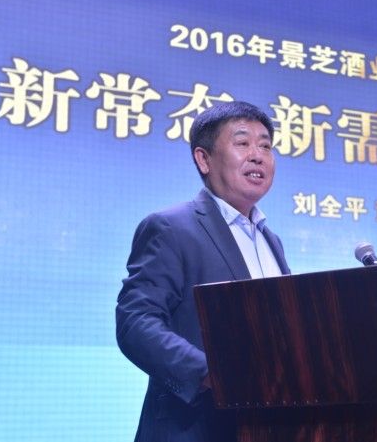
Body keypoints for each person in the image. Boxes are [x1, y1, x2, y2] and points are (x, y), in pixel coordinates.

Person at [116, 101, 291, 442]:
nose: (258, 156)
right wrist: (212, 374)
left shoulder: (272, 241)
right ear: (203, 159)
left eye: (266, 146)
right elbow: (135, 323)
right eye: (243, 143)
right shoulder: (171, 228)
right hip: (194, 427)